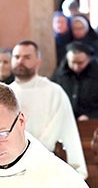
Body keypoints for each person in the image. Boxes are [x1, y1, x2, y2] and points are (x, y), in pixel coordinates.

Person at [9, 40, 87, 178]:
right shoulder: (6, 94)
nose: (20, 61)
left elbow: (57, 129)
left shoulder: (53, 92)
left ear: (38, 62)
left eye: (27, 57)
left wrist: (29, 154)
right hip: (12, 165)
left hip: (46, 164)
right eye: (16, 57)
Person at [51, 41, 98, 120]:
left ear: (88, 60)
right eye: (73, 62)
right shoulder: (59, 75)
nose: (76, 66)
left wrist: (90, 116)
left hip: (91, 121)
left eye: (80, 63)